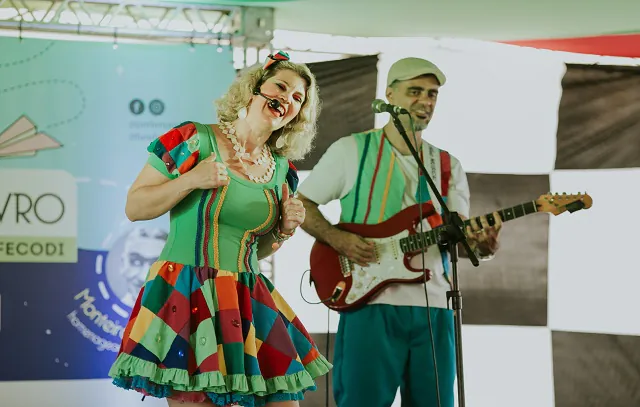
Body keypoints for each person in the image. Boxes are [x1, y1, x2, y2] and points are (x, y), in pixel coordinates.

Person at [108, 51, 332, 407]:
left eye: (297, 98)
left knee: (284, 401)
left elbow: (255, 250)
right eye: (281, 86)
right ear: (254, 88)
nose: (287, 98)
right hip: (186, 289)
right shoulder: (192, 139)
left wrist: (284, 231)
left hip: (247, 294)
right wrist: (191, 180)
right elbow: (135, 207)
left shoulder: (282, 171)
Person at [297, 57, 502, 407]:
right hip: (369, 301)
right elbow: (300, 204)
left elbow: (460, 241)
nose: (426, 101)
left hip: (436, 306)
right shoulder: (351, 150)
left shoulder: (448, 164)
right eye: (415, 91)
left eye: (432, 94)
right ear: (390, 94)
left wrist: (483, 245)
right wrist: (337, 238)